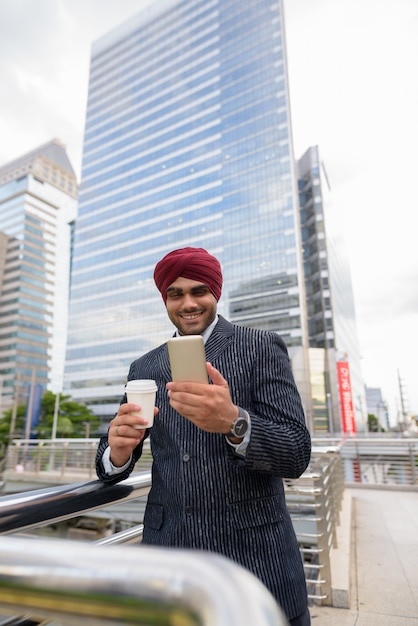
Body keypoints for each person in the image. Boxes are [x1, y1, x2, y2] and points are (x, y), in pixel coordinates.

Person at [96, 247, 312, 625]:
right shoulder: (144, 366)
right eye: (175, 294)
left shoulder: (259, 346)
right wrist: (117, 451)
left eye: (199, 291)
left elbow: (296, 451)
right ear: (165, 299)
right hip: (169, 564)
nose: (188, 303)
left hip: (255, 563)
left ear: (216, 293)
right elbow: (112, 462)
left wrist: (234, 422)